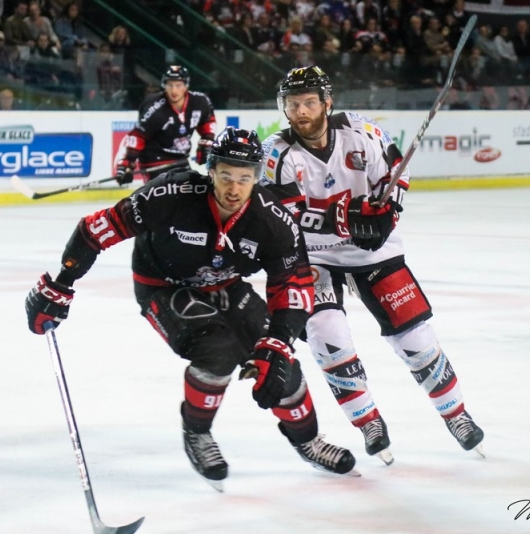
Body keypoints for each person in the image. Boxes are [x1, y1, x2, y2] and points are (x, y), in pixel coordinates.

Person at [25, 127, 357, 491]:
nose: (234, 187)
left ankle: (307, 439)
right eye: (226, 176)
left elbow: (293, 285)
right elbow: (96, 229)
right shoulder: (169, 195)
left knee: (280, 367)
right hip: (162, 286)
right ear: (210, 171)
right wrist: (60, 283)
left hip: (226, 284)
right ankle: (197, 433)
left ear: (257, 178)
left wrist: (278, 343)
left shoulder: (272, 221)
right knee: (217, 351)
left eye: (245, 178)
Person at [260, 66, 485, 465]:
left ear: (327, 103)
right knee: (327, 335)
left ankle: (457, 415)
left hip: (374, 253)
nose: (301, 111)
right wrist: (349, 218)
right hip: (313, 255)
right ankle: (368, 422)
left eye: (310, 102)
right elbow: (287, 213)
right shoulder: (277, 153)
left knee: (414, 337)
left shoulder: (364, 132)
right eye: (293, 104)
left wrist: (386, 217)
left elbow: (397, 176)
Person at [113, 65, 216, 185]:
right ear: (164, 85)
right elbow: (137, 136)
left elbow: (208, 122)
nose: (174, 90)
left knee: (189, 197)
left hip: (180, 159)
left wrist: (206, 144)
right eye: (170, 85)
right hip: (153, 160)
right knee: (160, 200)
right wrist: (126, 164)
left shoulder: (200, 102)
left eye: (178, 85)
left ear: (186, 86)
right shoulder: (154, 108)